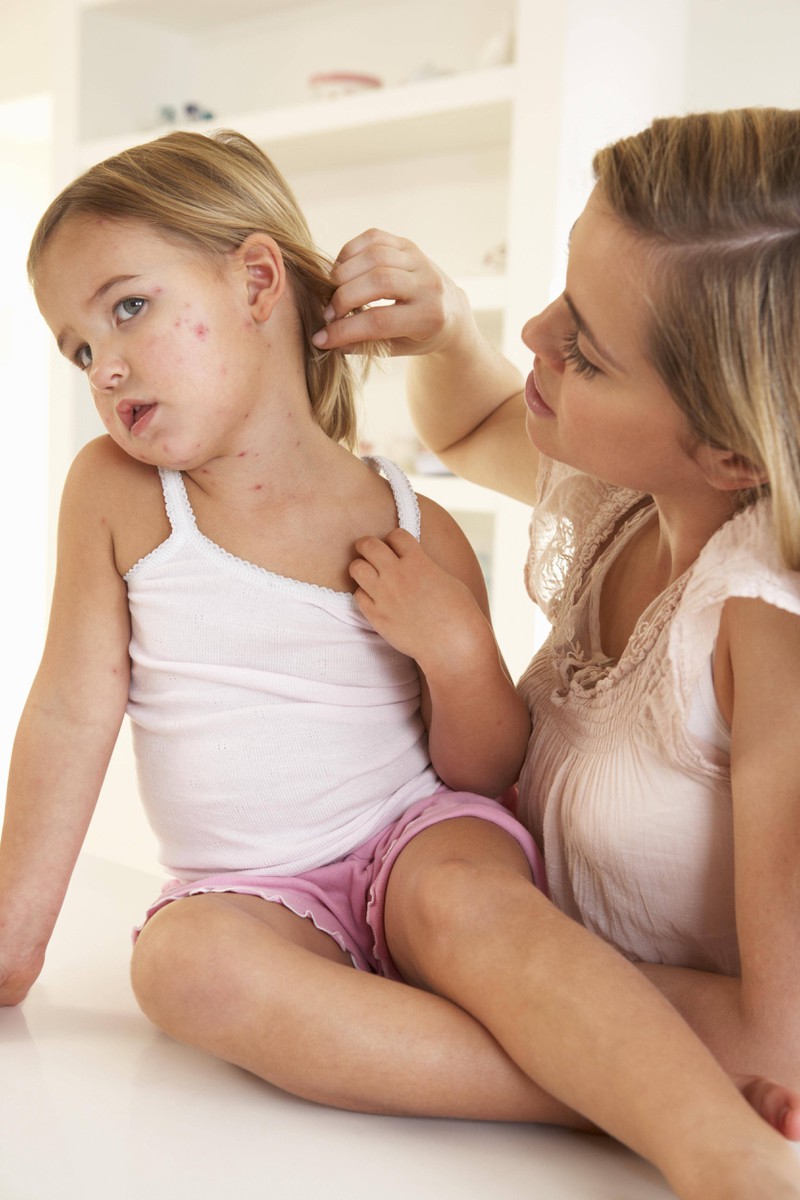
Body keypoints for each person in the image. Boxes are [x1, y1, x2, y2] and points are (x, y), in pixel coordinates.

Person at [2, 127, 798, 1200]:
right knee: (179, 969)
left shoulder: (414, 526)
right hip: (247, 885)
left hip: (419, 834)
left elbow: (475, 770)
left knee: (472, 909)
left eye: (128, 308)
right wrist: (14, 934)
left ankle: (716, 1148)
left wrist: (460, 651)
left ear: (254, 281)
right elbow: (65, 712)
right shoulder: (115, 493)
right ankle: (608, 1081)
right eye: (77, 348)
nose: (103, 367)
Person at [314, 104, 800, 1172]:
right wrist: (448, 335)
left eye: (582, 350)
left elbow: (783, 1047)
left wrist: (481, 964)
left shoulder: (766, 630)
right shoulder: (629, 496)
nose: (534, 333)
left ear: (731, 451)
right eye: (559, 291)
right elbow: (473, 423)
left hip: (630, 1090)